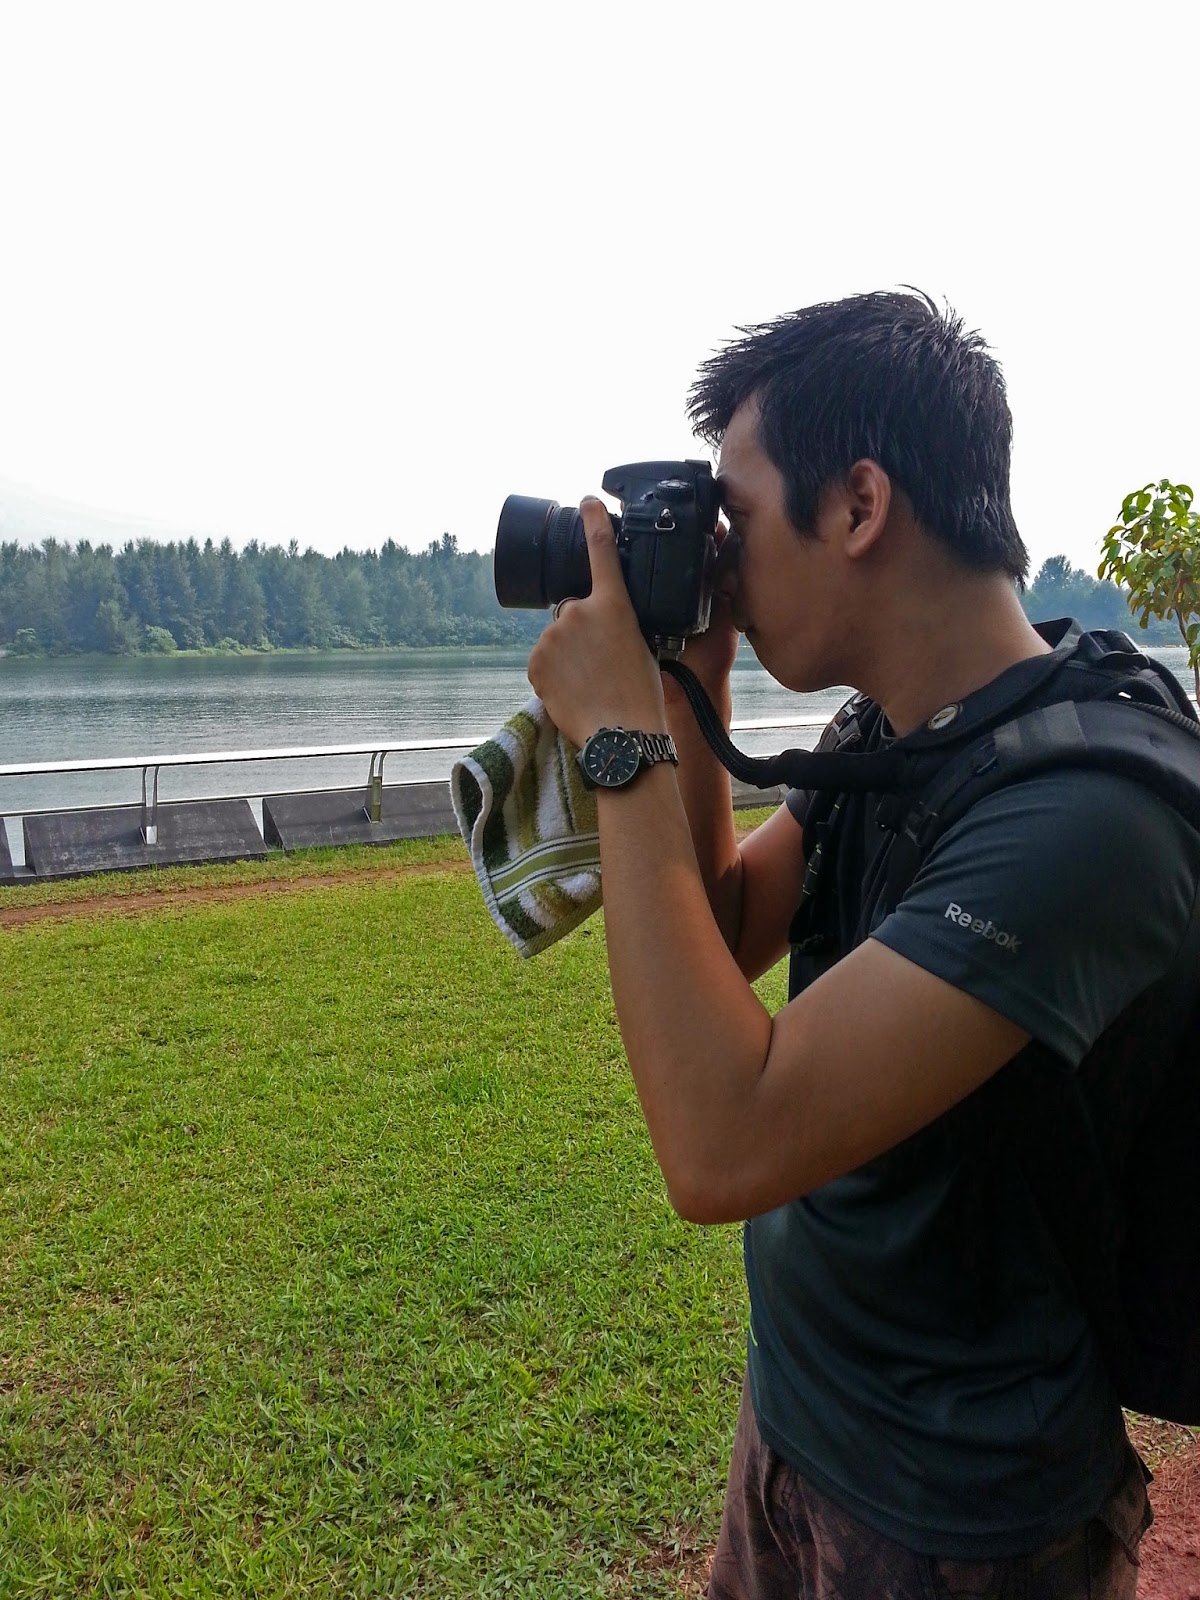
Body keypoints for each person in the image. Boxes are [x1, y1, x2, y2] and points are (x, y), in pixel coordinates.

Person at [526, 291, 1200, 1599]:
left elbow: (722, 1142)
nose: (721, 560)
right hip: (800, 1417)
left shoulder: (1087, 817)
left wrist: (622, 746)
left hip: (960, 1513)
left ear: (857, 506)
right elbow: (724, 926)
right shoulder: (898, 731)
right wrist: (696, 683)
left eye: (735, 519)